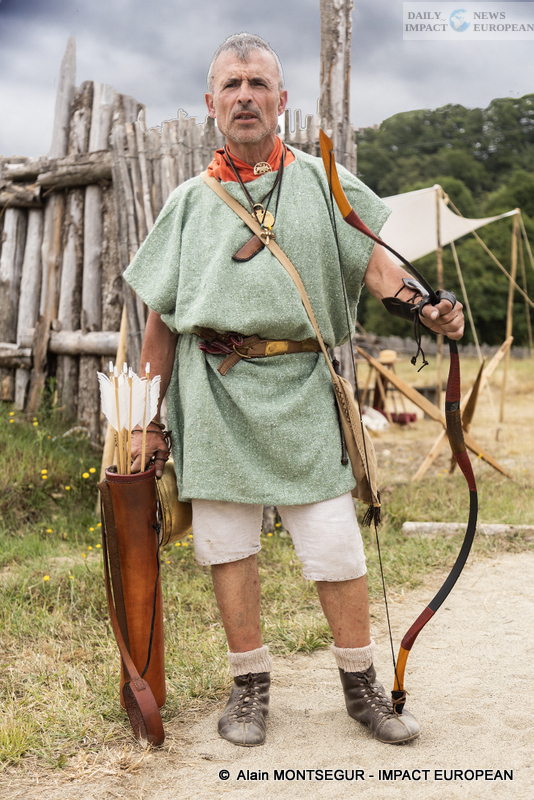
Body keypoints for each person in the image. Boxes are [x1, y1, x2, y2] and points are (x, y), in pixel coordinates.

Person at [125, 32, 464, 748]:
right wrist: (145, 421)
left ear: (281, 99)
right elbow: (158, 324)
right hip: (213, 392)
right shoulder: (188, 203)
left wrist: (423, 305)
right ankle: (249, 688)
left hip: (306, 385)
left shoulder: (323, 183)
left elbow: (377, 270)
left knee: (336, 545)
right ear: (211, 103)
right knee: (226, 544)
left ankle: (362, 686)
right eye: (231, 85)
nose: (245, 96)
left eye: (258, 83)